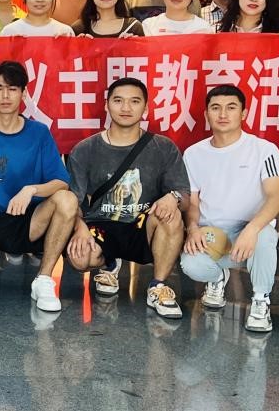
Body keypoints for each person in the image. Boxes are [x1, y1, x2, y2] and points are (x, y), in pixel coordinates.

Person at [0, 61, 78, 311]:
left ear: (24, 94)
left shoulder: (39, 132)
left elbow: (61, 182)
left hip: (27, 221)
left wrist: (31, 189)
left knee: (67, 200)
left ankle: (44, 279)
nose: (5, 96)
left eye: (12, 89)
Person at [65, 78, 189, 319]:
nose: (125, 108)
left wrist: (172, 198)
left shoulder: (163, 147)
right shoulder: (85, 149)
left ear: (146, 108)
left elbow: (184, 196)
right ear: (106, 105)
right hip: (101, 225)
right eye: (118, 101)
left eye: (134, 101)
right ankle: (109, 264)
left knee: (172, 215)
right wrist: (79, 228)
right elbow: (73, 202)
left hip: (143, 225)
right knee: (79, 258)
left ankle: (158, 286)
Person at [179, 85, 279, 333]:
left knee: (264, 235)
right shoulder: (193, 154)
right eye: (215, 108)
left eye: (231, 107)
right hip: (213, 232)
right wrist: (192, 228)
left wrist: (252, 229)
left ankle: (260, 300)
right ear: (206, 114)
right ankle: (217, 278)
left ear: (244, 113)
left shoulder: (264, 149)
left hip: (251, 230)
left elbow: (275, 198)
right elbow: (193, 203)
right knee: (191, 265)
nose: (223, 114)